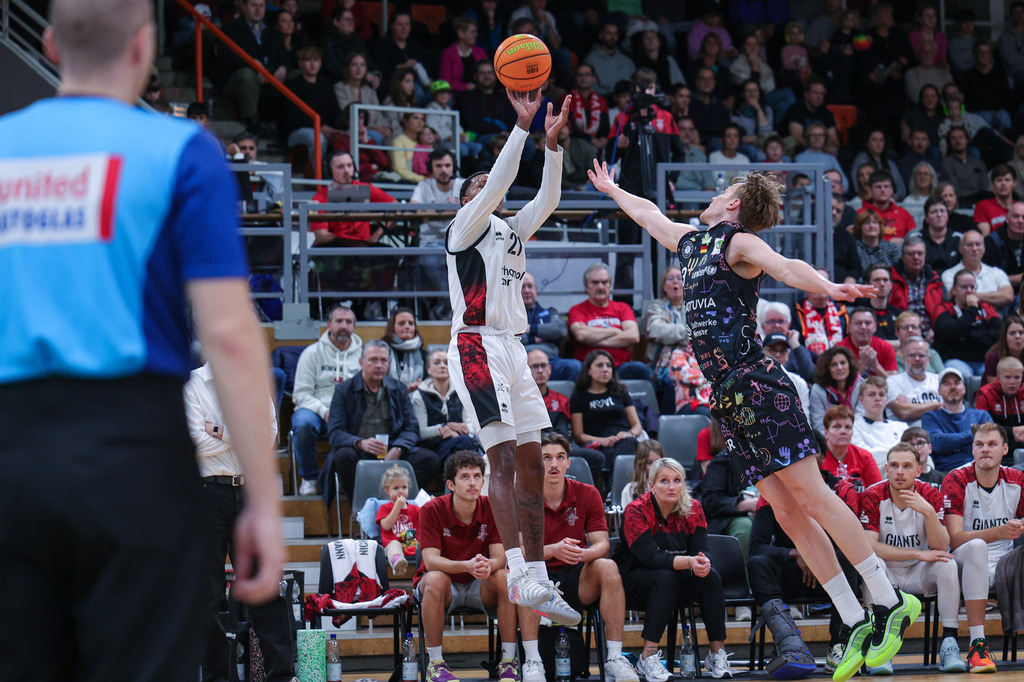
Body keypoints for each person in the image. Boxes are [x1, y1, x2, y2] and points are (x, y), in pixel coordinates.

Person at [0, 0, 283, 676]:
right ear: (144, 48)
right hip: (133, 456)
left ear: (49, 43)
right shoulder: (181, 151)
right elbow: (229, 334)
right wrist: (265, 502)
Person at [588, 162, 920, 682]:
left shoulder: (738, 243)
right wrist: (611, 189)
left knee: (811, 496)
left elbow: (787, 266)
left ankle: (887, 597)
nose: (717, 193)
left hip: (759, 384)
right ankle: (855, 617)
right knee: (785, 510)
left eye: (726, 190)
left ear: (735, 205)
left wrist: (828, 287)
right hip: (729, 398)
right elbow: (650, 215)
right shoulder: (692, 242)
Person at [445, 87, 580, 626]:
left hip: (513, 349)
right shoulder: (464, 228)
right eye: (478, 187)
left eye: (489, 186)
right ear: (467, 201)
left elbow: (546, 201)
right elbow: (499, 179)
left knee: (533, 461)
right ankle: (520, 571)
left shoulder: (509, 230)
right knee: (500, 459)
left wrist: (551, 146)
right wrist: (522, 127)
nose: (489, 189)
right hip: (475, 342)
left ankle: (538, 579)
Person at [184, 363, 294, 682]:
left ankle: (282, 675)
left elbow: (267, 436)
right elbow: (195, 443)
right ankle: (217, 677)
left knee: (266, 587)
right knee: (206, 593)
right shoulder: (192, 384)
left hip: (249, 491)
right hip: (206, 494)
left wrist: (216, 428)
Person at [519, 433, 640, 682]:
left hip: (576, 576)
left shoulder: (588, 493)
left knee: (607, 566)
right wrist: (552, 550)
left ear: (568, 463)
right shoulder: (522, 496)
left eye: (560, 457)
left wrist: (583, 554)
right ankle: (533, 661)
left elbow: (602, 545)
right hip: (538, 576)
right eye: (547, 458)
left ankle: (615, 658)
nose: (554, 464)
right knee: (523, 572)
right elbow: (517, 550)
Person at [615, 458, 734, 680]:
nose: (671, 487)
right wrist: (689, 562)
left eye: (677, 480)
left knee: (711, 576)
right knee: (664, 577)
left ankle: (717, 654)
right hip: (634, 581)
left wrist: (703, 562)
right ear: (651, 486)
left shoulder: (693, 508)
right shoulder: (636, 510)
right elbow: (651, 558)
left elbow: (701, 550)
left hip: (673, 579)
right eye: (664, 481)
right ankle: (647, 658)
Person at [859, 443, 967, 674]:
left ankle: (950, 643)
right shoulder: (872, 495)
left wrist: (928, 512)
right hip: (887, 572)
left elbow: (941, 546)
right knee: (871, 563)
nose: (900, 472)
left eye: (907, 466)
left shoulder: (930, 494)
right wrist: (916, 552)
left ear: (918, 471)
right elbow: (870, 546)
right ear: (886, 469)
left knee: (947, 563)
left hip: (918, 572)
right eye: (895, 466)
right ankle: (879, 646)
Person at [414, 451, 522, 682]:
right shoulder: (431, 510)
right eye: (465, 477)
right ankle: (435, 663)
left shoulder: (493, 506)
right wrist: (465, 565)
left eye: (477, 476)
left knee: (505, 576)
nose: (473, 482)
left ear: (484, 480)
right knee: (434, 578)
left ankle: (508, 662)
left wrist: (487, 565)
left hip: (478, 583)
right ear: (451, 484)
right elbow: (431, 561)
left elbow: (499, 558)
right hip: (444, 585)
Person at [940, 422, 1024, 674]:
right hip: (963, 558)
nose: (985, 449)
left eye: (992, 444)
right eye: (979, 444)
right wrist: (998, 532)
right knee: (977, 546)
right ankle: (978, 644)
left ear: (1005, 449)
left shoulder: (1018, 479)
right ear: (972, 449)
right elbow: (954, 539)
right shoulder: (956, 479)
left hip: (1006, 560)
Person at [323, 340, 441, 502]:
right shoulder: (344, 390)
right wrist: (359, 443)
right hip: (359, 453)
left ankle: (397, 504)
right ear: (361, 362)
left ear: (389, 363)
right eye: (373, 360)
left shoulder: (398, 388)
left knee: (429, 459)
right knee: (343, 456)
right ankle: (363, 508)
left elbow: (411, 427)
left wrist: (398, 448)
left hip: (392, 452)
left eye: (383, 360)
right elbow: (335, 432)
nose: (379, 365)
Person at [292, 304, 363, 494]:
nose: (344, 325)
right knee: (303, 423)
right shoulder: (312, 353)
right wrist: (323, 411)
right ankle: (309, 477)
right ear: (329, 325)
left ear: (354, 326)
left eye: (348, 322)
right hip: (318, 410)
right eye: (339, 321)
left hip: (350, 412)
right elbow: (300, 394)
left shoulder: (364, 355)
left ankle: (344, 477)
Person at [216, 0, 288, 132]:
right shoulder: (230, 29)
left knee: (298, 74)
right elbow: (225, 57)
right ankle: (253, 123)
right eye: (253, 5)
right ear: (243, 6)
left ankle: (292, 126)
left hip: (270, 79)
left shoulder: (273, 33)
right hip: (237, 82)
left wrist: (283, 67)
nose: (258, 10)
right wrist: (252, 64)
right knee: (246, 75)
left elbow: (284, 55)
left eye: (261, 6)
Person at [569, 263, 649, 380]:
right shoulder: (577, 310)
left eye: (605, 282)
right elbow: (581, 335)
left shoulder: (623, 308)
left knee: (639, 368)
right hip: (589, 368)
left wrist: (592, 339)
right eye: (595, 283)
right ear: (586, 286)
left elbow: (633, 336)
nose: (601, 287)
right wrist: (614, 330)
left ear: (610, 285)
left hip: (620, 366)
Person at [571, 350, 643, 471]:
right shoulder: (579, 397)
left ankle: (613, 487)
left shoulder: (621, 392)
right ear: (588, 370)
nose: (605, 369)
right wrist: (602, 441)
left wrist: (628, 434)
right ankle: (616, 486)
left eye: (609, 366)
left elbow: (637, 426)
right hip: (597, 444)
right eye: (599, 365)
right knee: (610, 454)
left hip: (623, 440)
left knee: (628, 443)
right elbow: (578, 435)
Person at [411, 350, 483, 464]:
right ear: (428, 369)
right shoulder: (419, 395)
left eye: (446, 362)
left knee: (461, 447)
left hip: (460, 441)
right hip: (433, 444)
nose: (442, 366)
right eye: (437, 363)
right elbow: (421, 432)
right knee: (465, 446)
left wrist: (458, 434)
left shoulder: (461, 391)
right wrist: (445, 428)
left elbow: (470, 425)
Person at [310, 150, 396, 246]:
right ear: (330, 171)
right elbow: (322, 236)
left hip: (363, 248)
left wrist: (376, 236)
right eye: (340, 167)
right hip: (335, 248)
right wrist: (352, 243)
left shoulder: (367, 189)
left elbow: (396, 207)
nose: (346, 170)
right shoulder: (319, 198)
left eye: (349, 165)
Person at [933, 271, 1003, 378]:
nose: (969, 291)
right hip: (956, 360)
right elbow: (949, 333)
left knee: (997, 373)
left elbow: (999, 333)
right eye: (964, 287)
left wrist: (968, 336)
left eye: (972, 287)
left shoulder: (986, 307)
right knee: (963, 375)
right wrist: (972, 309)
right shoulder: (943, 308)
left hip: (983, 359)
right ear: (954, 290)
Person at [921, 368, 993, 471]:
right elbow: (938, 444)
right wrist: (974, 433)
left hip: (979, 470)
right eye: (946, 384)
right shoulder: (930, 417)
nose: (952, 387)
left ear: (964, 389)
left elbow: (989, 442)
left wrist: (952, 441)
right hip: (946, 472)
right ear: (939, 392)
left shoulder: (982, 415)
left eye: (956, 383)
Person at [940, 230, 1014, 312]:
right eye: (969, 245)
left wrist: (972, 296)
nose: (974, 249)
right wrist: (995, 300)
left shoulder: (997, 272)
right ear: (960, 249)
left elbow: (1008, 296)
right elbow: (957, 299)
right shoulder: (949, 275)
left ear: (984, 248)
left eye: (978, 244)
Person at [889, 235, 945, 338]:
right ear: (903, 256)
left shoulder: (936, 279)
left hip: (931, 336)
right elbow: (887, 310)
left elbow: (944, 309)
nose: (916, 257)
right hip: (900, 335)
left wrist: (936, 329)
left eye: (920, 253)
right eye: (911, 254)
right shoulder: (891, 278)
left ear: (925, 255)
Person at [820, 405, 883, 491]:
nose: (843, 431)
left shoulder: (865, 457)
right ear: (826, 432)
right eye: (837, 427)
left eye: (847, 427)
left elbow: (878, 491)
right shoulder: (818, 458)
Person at [973, 356, 1024, 460]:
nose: (1012, 382)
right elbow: (980, 428)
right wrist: (1012, 431)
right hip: (994, 445)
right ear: (999, 378)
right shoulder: (985, 394)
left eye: (1017, 377)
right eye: (1007, 377)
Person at [853, 377, 910, 468]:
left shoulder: (902, 427)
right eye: (871, 395)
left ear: (887, 399)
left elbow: (911, 454)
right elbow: (865, 456)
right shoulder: (854, 427)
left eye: (881, 394)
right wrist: (899, 452)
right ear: (861, 399)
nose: (877, 399)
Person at [886, 335, 941, 428]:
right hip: (908, 434)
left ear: (928, 359)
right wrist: (936, 404)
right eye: (912, 355)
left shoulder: (939, 380)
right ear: (904, 358)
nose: (917, 359)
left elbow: (950, 408)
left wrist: (911, 407)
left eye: (921, 355)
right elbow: (903, 412)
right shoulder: (893, 381)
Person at [808, 346, 863, 435]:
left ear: (849, 365)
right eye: (834, 365)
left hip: (859, 437)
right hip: (829, 440)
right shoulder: (818, 390)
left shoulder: (860, 384)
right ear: (827, 369)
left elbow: (862, 417)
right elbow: (818, 424)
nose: (839, 368)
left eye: (843, 363)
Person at [376, 464, 420, 573]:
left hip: (412, 544)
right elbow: (386, 526)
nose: (401, 491)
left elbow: (426, 523)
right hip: (392, 544)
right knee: (394, 545)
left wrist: (431, 505)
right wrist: (397, 507)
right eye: (396, 488)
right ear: (387, 490)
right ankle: (398, 562)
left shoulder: (415, 509)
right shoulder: (384, 508)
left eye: (404, 487)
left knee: (424, 544)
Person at [758, 301, 816, 380]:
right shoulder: (756, 347)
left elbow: (810, 374)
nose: (777, 325)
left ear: (788, 325)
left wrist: (796, 345)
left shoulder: (796, 349)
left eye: (781, 321)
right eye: (772, 321)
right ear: (763, 326)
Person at [763, 333, 812, 422]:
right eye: (773, 350)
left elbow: (805, 419)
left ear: (787, 356)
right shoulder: (754, 380)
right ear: (763, 352)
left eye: (782, 351)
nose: (777, 355)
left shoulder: (798, 383)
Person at [837, 307, 898, 378]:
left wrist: (876, 366)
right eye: (858, 323)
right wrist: (862, 364)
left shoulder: (886, 347)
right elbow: (841, 386)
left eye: (868, 323)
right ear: (849, 327)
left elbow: (893, 384)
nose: (863, 327)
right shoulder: (839, 349)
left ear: (875, 327)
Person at [584, 21, 636, 98]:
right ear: (601, 35)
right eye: (609, 33)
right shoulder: (590, 60)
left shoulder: (627, 61)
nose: (612, 37)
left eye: (615, 34)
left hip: (626, 103)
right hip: (601, 102)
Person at [382, 307, 426, 391]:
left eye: (411, 323)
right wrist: (405, 391)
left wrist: (421, 386)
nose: (407, 327)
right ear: (392, 327)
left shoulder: (424, 354)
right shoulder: (383, 352)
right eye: (401, 323)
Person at [857, 265, 903, 343]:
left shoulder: (900, 315)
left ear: (891, 285)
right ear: (867, 285)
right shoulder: (858, 315)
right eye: (877, 280)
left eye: (885, 280)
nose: (882, 284)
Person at [920, 195, 962, 276]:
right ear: (926, 218)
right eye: (934, 212)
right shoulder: (917, 239)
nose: (939, 215)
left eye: (942, 211)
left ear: (947, 215)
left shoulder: (959, 239)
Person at [974, 165, 1018, 235]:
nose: (1003, 183)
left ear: (1014, 183)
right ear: (993, 184)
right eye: (999, 180)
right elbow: (985, 238)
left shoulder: (1020, 208)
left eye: (1007, 180)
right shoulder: (983, 206)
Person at [620, 440, 664, 507]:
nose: (655, 466)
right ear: (641, 465)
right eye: (649, 462)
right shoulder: (630, 490)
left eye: (658, 462)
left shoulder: (671, 487)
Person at [984, 315, 1024, 382]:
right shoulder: (993, 358)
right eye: (1012, 333)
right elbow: (994, 387)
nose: (1017, 336)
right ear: (1005, 338)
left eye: (1021, 333)